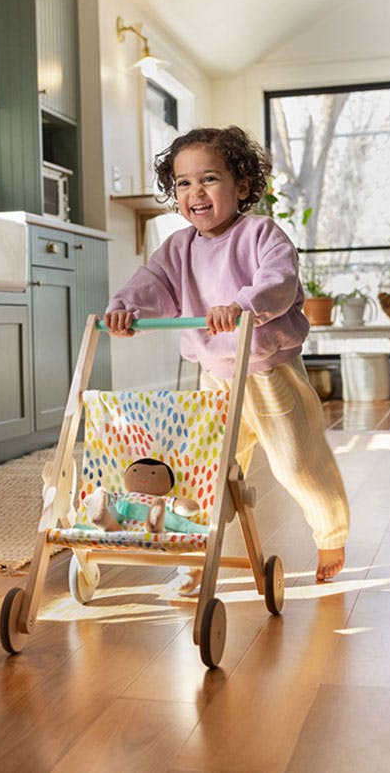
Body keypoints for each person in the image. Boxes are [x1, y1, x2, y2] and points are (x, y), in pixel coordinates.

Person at [103, 126, 350, 591]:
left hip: (269, 375)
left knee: (298, 462)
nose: (195, 192)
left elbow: (278, 282)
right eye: (183, 183)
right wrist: (125, 309)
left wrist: (243, 305)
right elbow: (151, 283)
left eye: (210, 179)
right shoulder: (177, 249)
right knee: (204, 469)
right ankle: (195, 553)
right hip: (215, 379)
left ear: (241, 186)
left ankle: (330, 535)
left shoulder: (261, 234)